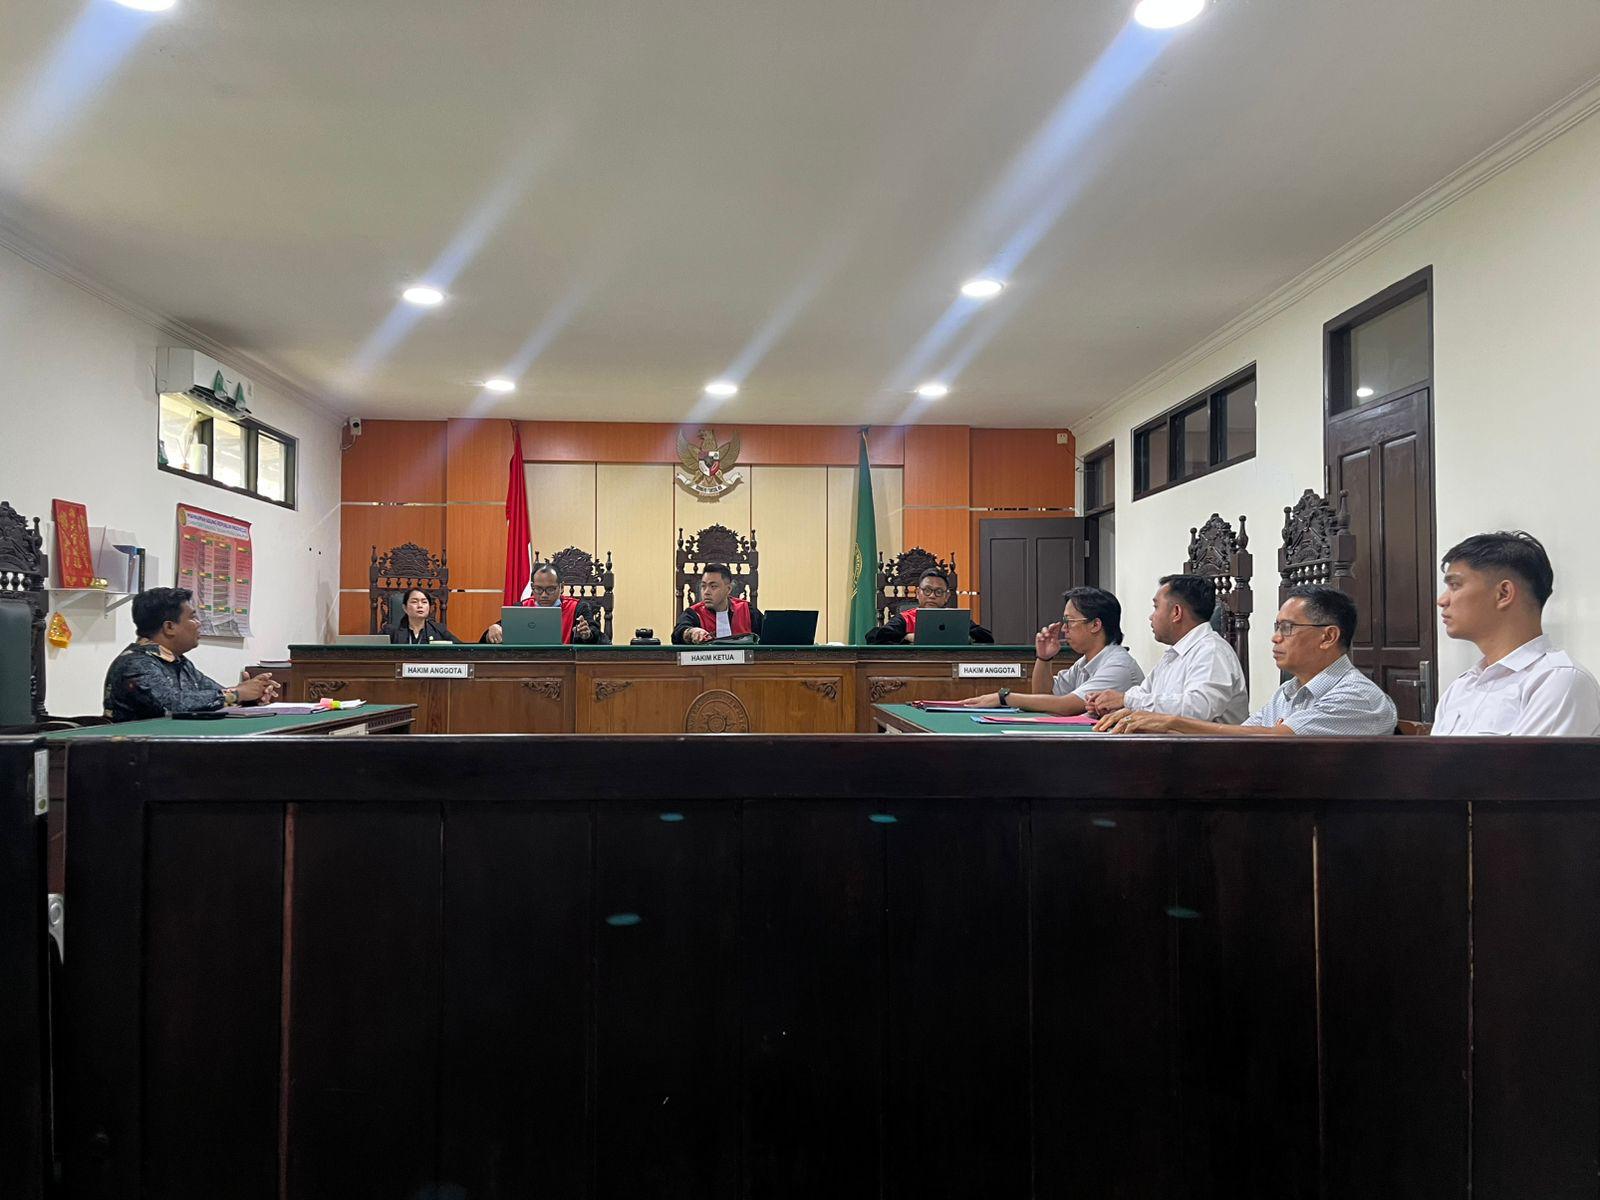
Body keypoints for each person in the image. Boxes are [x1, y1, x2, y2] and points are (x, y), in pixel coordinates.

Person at [1098, 585, 1396, 736]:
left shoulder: (1355, 696)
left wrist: (1172, 722)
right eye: (1276, 627)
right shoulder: (1288, 692)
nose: (1275, 638)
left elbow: (1275, 739)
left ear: (1328, 636)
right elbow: (1244, 735)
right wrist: (1155, 725)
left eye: (1287, 628)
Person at [1431, 531, 1600, 736]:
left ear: (1503, 594)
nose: (1442, 600)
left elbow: (1526, 760)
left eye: (1455, 585)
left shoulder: (1556, 680)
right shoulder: (1462, 687)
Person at [1084, 573, 1249, 725]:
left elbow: (1197, 709)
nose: (1151, 617)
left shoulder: (1212, 651)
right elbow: (1144, 694)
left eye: (1156, 607)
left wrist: (1126, 700)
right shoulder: (1174, 654)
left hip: (1209, 747)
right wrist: (1113, 705)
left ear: (1176, 612)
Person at [104, 587, 279, 721]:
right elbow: (173, 704)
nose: (199, 623)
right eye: (193, 617)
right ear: (169, 627)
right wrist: (237, 693)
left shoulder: (178, 661)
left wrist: (252, 694)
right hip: (139, 754)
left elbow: (214, 694)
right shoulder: (135, 664)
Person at [962, 586, 1141, 714]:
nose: (1064, 628)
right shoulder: (1085, 662)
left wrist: (1004, 697)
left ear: (1095, 625)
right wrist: (1044, 658)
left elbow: (1067, 705)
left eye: (1069, 621)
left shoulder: (1118, 666)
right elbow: (1044, 695)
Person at [482, 562, 609, 645]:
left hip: (565, 666)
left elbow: (598, 637)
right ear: (532, 587)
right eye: (538, 589)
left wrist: (587, 635)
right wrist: (492, 631)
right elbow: (497, 632)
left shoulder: (578, 608)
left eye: (550, 589)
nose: (543, 595)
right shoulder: (521, 608)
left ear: (561, 587)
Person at [865, 568, 994, 644]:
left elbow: (987, 638)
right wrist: (907, 637)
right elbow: (873, 637)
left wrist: (965, 638)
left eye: (939, 591)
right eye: (927, 590)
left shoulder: (955, 619)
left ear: (946, 597)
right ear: (918, 593)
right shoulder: (907, 618)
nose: (932, 596)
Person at [673, 563, 764, 643]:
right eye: (703, 586)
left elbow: (767, 636)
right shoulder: (694, 613)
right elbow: (678, 633)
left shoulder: (747, 610)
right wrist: (692, 632)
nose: (706, 592)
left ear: (728, 589)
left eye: (713, 586)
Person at [389, 588, 462, 644]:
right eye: (414, 602)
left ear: (429, 607)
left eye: (424, 602)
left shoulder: (439, 630)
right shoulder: (390, 631)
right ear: (405, 608)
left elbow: (461, 649)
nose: (420, 606)